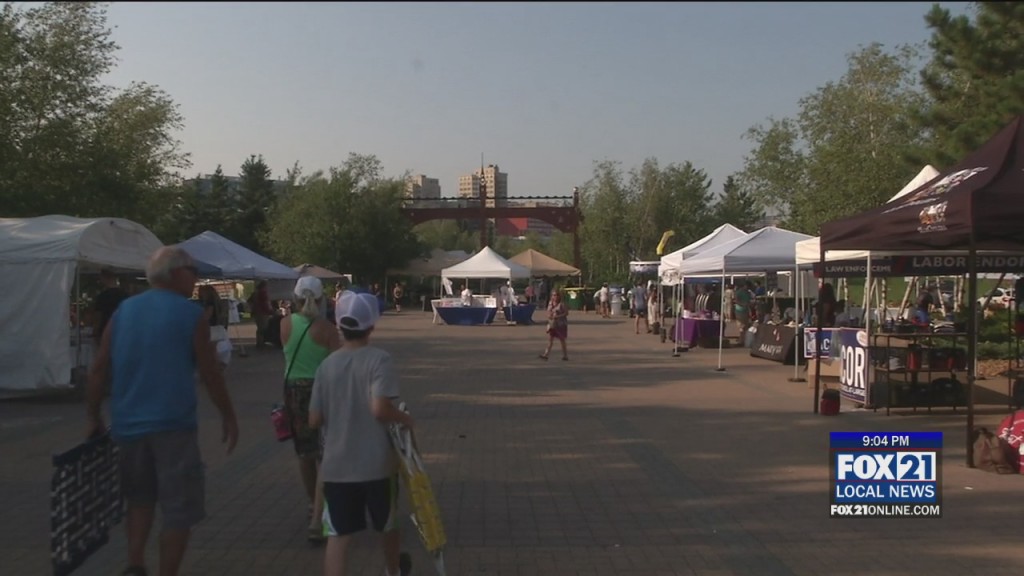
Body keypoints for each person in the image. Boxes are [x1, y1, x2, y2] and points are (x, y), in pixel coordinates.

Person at [85, 247, 239, 576]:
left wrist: (93, 416)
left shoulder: (124, 311)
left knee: (139, 500)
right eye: (192, 270)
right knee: (177, 509)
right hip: (174, 428)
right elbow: (210, 373)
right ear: (175, 273)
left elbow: (98, 369)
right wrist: (228, 415)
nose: (196, 277)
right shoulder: (190, 314)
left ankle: (135, 562)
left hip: (127, 428)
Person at [309, 292, 412, 576]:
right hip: (376, 463)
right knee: (388, 526)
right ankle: (393, 570)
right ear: (372, 326)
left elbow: (314, 418)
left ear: (339, 325)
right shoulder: (380, 360)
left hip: (336, 465)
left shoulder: (326, 366)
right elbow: (380, 409)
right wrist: (405, 418)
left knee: (339, 536)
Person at [281, 275, 341, 543]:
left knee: (305, 454)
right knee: (326, 452)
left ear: (295, 298)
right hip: (321, 391)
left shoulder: (284, 325)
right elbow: (337, 365)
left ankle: (311, 504)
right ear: (321, 300)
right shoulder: (328, 329)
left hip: (293, 392)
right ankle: (324, 508)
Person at [196, 285, 232, 369]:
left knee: (211, 350)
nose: (199, 293)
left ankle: (213, 368)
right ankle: (216, 367)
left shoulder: (209, 303)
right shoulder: (216, 302)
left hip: (211, 328)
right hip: (216, 327)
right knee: (214, 350)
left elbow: (207, 316)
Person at [93, 269, 129, 343]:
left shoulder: (102, 296)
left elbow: (98, 316)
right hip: (122, 329)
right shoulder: (125, 295)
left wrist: (95, 332)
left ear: (104, 278)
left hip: (105, 330)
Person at [539, 290, 569, 361]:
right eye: (553, 295)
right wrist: (549, 315)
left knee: (562, 340)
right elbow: (548, 312)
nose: (555, 297)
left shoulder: (562, 304)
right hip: (552, 324)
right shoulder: (550, 303)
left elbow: (566, 313)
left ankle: (565, 355)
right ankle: (546, 354)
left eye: (556, 295)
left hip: (561, 324)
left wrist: (558, 316)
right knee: (550, 339)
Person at [249, 281, 274, 348]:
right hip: (262, 312)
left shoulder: (255, 293)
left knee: (260, 328)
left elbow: (249, 301)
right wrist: (270, 311)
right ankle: (260, 343)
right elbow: (265, 304)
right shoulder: (263, 293)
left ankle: (259, 342)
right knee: (262, 328)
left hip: (257, 312)